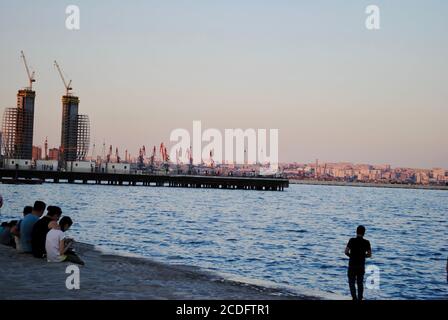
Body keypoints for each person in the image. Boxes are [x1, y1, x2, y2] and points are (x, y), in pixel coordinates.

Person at [345, 225, 372, 301]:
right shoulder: (366, 242)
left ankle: (354, 298)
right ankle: (360, 298)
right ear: (364, 233)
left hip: (352, 265)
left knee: (351, 282)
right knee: (360, 283)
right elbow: (369, 254)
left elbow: (346, 252)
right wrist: (363, 256)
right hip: (361, 265)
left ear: (356, 231)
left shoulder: (351, 240)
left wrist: (352, 256)